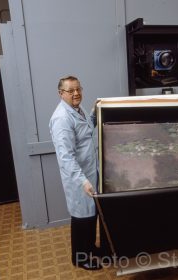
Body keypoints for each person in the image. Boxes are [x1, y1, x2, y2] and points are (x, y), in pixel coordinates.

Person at [49, 75, 102, 270]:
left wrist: (96, 112)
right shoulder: (62, 118)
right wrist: (83, 180)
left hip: (90, 174)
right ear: (60, 93)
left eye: (78, 89)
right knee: (82, 218)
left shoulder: (77, 110)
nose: (76, 93)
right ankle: (80, 258)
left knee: (91, 216)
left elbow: (87, 128)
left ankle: (89, 249)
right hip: (79, 178)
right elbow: (66, 157)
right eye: (70, 91)